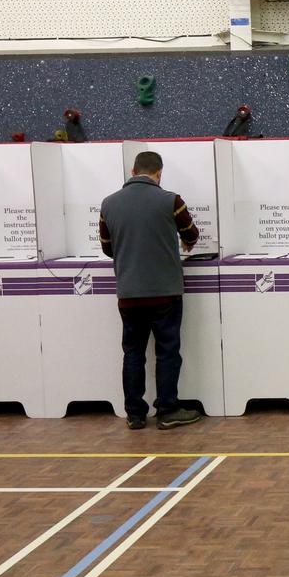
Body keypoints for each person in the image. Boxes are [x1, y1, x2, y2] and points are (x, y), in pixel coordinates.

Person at [99, 151, 203, 430]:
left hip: (129, 293)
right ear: (159, 174)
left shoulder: (108, 204)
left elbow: (108, 248)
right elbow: (192, 235)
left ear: (133, 172)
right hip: (165, 292)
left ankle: (135, 414)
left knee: (132, 352)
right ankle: (167, 410)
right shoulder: (171, 200)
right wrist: (185, 244)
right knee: (167, 351)